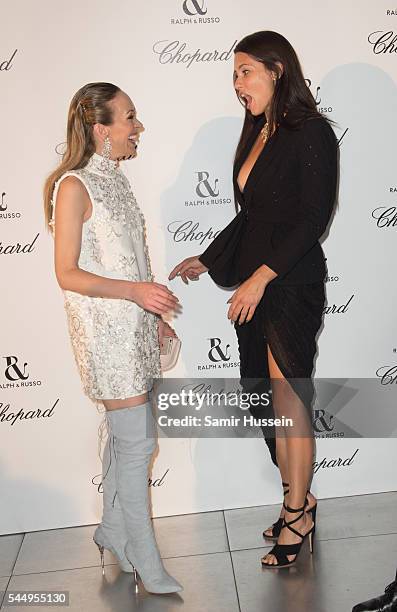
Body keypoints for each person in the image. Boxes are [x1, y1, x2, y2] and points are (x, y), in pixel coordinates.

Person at [169, 31, 337, 568]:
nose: (237, 83)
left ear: (277, 70)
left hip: (290, 284)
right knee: (264, 396)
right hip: (255, 283)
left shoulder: (311, 132)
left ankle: (295, 512)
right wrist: (211, 258)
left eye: (245, 71)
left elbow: (313, 218)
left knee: (289, 401)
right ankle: (300, 498)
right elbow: (253, 218)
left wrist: (261, 277)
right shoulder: (256, 131)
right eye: (234, 75)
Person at [44, 82, 182, 594]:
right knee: (137, 442)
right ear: (101, 130)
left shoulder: (118, 182)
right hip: (104, 334)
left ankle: (113, 530)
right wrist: (136, 293)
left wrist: (152, 314)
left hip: (134, 328)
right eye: (128, 118)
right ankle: (145, 557)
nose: (136, 126)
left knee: (127, 441)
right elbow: (67, 273)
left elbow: (130, 260)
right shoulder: (74, 185)